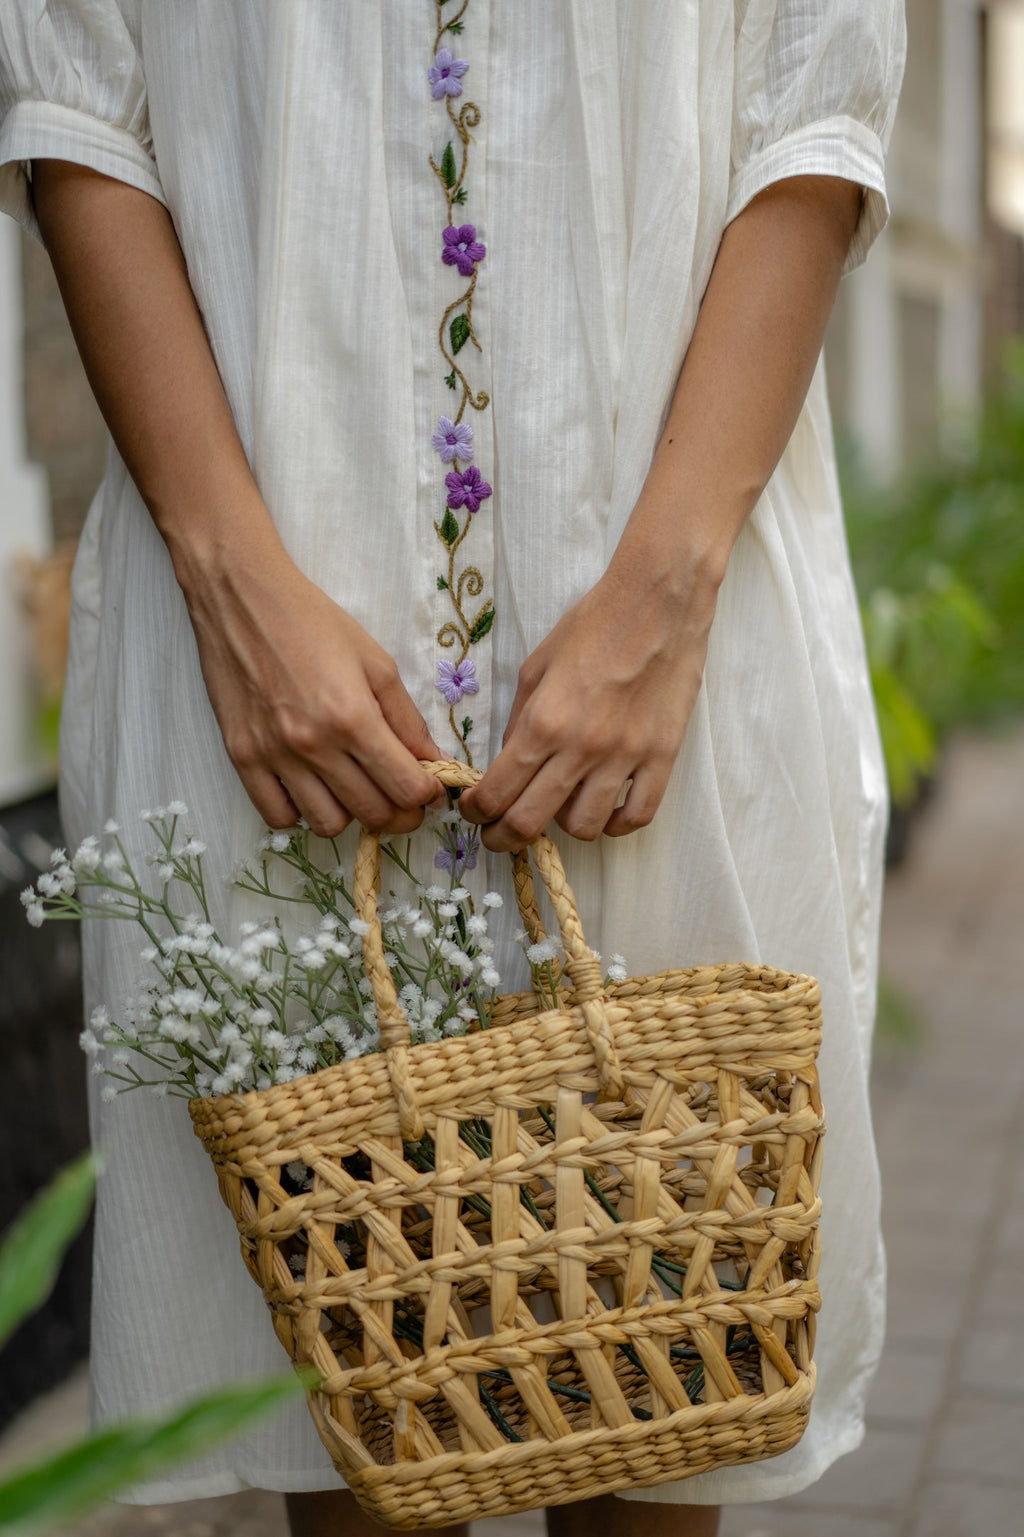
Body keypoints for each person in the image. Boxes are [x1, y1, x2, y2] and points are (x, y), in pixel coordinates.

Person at [0, 5, 905, 1536]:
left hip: (659, 615)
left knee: (655, 1382)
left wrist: (668, 593)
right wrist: (230, 586)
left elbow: (812, 113)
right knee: (363, 1401)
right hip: (273, 650)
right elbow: (81, 109)